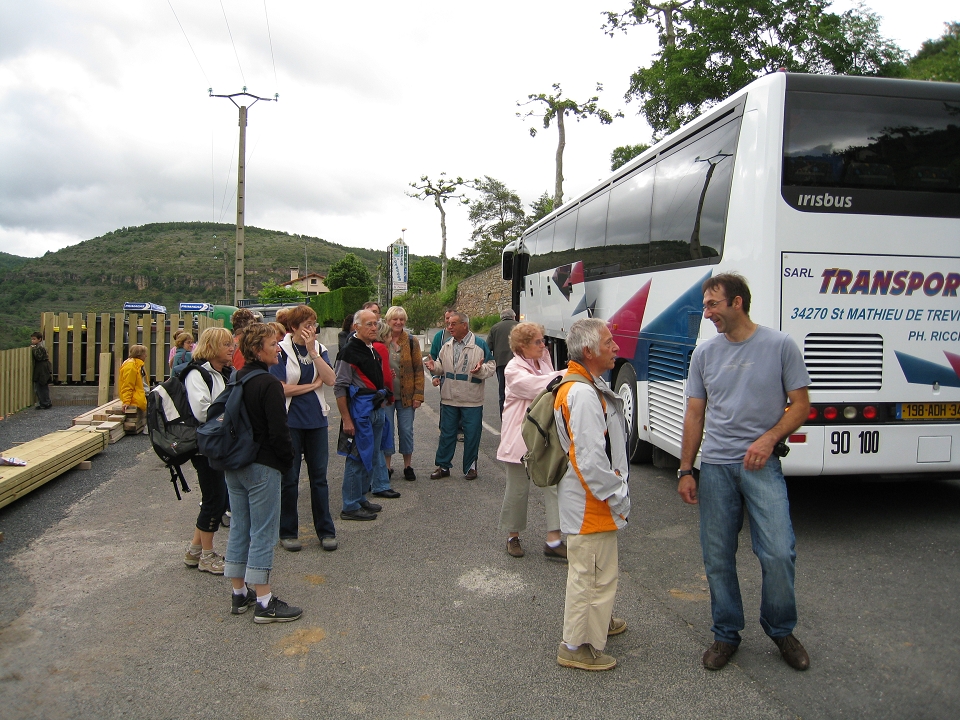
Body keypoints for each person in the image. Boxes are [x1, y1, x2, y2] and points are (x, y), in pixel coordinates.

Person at [678, 273, 811, 672]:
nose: (707, 313)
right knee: (718, 556)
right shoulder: (704, 353)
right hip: (716, 466)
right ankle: (725, 634)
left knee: (779, 552)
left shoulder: (780, 345)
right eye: (705, 305)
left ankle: (781, 629)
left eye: (712, 304)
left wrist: (769, 439)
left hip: (762, 465)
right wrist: (686, 469)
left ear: (737, 302)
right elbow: (695, 414)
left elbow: (801, 405)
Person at [554, 318, 630, 672]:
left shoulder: (583, 384)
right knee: (591, 574)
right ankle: (577, 645)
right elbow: (590, 460)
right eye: (609, 342)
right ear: (588, 350)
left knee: (595, 570)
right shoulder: (582, 393)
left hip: (588, 499)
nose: (616, 347)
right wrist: (617, 493)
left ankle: (598, 622)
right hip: (591, 502)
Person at [224, 323, 301, 623]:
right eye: (272, 344)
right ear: (257, 350)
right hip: (262, 465)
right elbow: (279, 431)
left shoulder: (237, 377)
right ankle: (265, 602)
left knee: (239, 527)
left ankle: (238, 593)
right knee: (263, 532)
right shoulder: (269, 384)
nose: (278, 348)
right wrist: (287, 460)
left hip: (235, 464)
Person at [271, 306, 338, 553]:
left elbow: (330, 380)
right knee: (290, 479)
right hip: (290, 422)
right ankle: (288, 531)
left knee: (319, 478)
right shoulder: (281, 350)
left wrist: (313, 352)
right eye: (308, 324)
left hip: (316, 420)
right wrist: (310, 386)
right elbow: (280, 388)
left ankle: (326, 531)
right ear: (294, 327)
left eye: (314, 323)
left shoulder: (319, 349)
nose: (313, 329)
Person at [496, 322, 566, 560]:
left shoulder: (543, 361)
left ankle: (554, 540)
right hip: (520, 438)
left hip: (543, 437)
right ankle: (512, 536)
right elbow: (541, 387)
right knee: (517, 490)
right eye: (537, 341)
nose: (543, 344)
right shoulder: (513, 370)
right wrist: (569, 373)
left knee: (552, 485)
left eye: (542, 339)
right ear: (522, 346)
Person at [181, 328, 233, 574]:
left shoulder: (223, 372)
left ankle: (194, 551)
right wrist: (231, 415)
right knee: (215, 499)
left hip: (217, 444)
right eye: (226, 344)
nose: (232, 349)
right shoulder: (197, 374)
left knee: (214, 497)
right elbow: (202, 412)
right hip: (205, 447)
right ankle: (207, 556)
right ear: (211, 347)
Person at [335, 309, 392, 520]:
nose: (374, 328)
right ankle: (350, 505)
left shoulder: (372, 349)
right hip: (360, 412)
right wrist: (346, 419)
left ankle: (359, 498)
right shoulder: (348, 352)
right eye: (369, 324)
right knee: (357, 458)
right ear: (356, 327)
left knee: (372, 455)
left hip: (375, 409)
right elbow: (340, 387)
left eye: (375, 323)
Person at [424, 312, 494, 480]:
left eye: (453, 324)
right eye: (449, 324)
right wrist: (434, 368)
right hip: (449, 397)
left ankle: (470, 468)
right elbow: (441, 366)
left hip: (471, 399)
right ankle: (443, 466)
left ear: (465, 325)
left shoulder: (479, 344)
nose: (449, 327)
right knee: (447, 433)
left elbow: (491, 366)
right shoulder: (447, 345)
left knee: (472, 434)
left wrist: (481, 370)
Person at [380, 306, 424, 482]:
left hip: (407, 395)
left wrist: (418, 396)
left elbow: (418, 369)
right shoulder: (381, 340)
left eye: (401, 319)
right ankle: (387, 466)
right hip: (386, 396)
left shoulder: (411, 341)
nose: (398, 322)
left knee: (406, 430)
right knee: (387, 431)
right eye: (395, 319)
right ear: (388, 320)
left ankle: (407, 466)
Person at [486, 308, 518, 416]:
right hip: (518, 363)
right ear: (513, 316)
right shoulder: (519, 326)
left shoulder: (495, 328)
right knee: (518, 391)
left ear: (501, 317)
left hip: (501, 363)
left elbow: (488, 347)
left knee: (503, 392)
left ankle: (504, 417)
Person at [119, 344, 148, 418]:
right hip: (135, 400)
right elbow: (127, 385)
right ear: (139, 355)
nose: (146, 356)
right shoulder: (131, 366)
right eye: (144, 354)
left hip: (139, 398)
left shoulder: (138, 365)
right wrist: (126, 402)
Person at [30, 332, 53, 410]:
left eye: (34, 339)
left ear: (39, 339)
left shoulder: (39, 347)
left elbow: (38, 357)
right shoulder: (41, 346)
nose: (32, 341)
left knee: (41, 385)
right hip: (43, 367)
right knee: (42, 386)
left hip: (42, 367)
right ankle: (44, 402)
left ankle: (45, 403)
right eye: (32, 339)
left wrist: (33, 349)